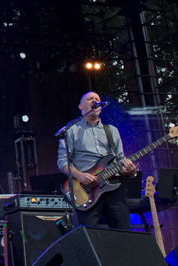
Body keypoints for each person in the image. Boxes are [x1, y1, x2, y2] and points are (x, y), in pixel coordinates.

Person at [57, 91, 137, 230]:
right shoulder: (72, 130)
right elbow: (62, 162)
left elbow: (120, 160)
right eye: (90, 99)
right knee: (89, 235)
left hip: (113, 186)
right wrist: (80, 176)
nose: (95, 101)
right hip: (86, 190)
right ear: (81, 106)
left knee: (123, 233)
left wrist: (130, 171)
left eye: (97, 99)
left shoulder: (112, 131)